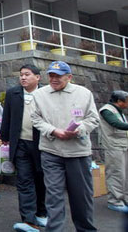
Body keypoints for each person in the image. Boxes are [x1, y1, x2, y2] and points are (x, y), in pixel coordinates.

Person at [31, 61, 99, 232]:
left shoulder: (84, 93)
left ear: (69, 77)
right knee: (54, 197)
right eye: (51, 75)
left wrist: (80, 129)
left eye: (58, 76)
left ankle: (86, 229)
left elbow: (93, 118)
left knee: (81, 197)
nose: (54, 79)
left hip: (78, 152)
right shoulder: (39, 94)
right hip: (51, 151)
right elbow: (36, 119)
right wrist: (53, 131)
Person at [0, 64, 47, 232]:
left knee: (41, 179)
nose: (23, 77)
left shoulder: (45, 93)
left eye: (27, 74)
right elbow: (7, 116)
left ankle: (42, 213)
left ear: (37, 77)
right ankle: (28, 220)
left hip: (41, 145)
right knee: (24, 181)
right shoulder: (13, 93)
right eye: (21, 75)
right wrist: (4, 136)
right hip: (19, 144)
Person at [99, 90, 128, 213]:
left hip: (122, 145)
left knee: (125, 174)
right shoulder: (107, 110)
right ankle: (115, 201)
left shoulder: (118, 111)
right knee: (116, 173)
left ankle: (124, 198)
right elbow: (115, 124)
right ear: (119, 101)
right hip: (113, 146)